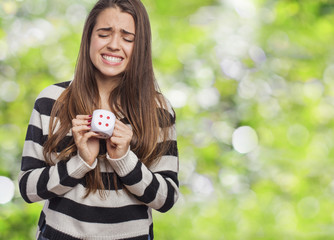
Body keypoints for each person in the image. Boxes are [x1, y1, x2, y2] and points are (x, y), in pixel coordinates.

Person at [18, 0, 179, 239]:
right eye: (104, 34)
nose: (114, 45)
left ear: (141, 46)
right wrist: (80, 162)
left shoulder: (157, 109)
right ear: (89, 38)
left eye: (128, 38)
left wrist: (124, 160)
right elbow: (27, 189)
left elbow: (166, 199)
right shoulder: (51, 101)